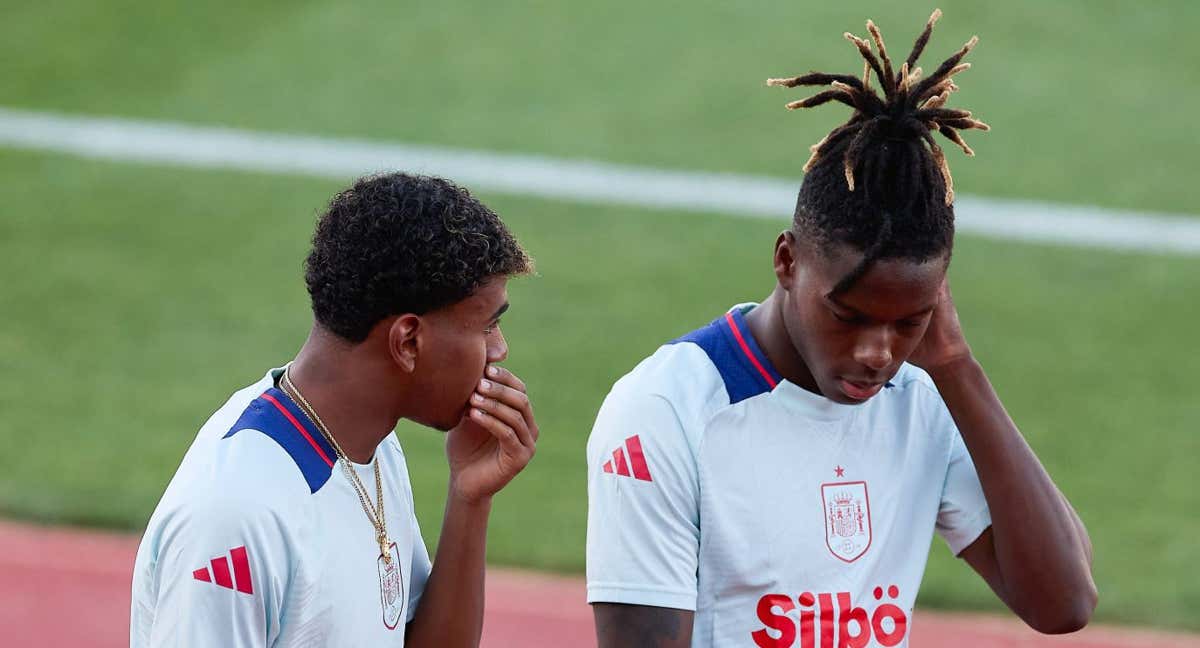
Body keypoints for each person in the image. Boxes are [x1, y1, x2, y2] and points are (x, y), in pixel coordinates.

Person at [585, 11, 1096, 647]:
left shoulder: (925, 397)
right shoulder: (666, 409)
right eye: (847, 316)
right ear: (787, 261)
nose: (877, 353)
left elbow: (1064, 602)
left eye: (909, 322)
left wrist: (959, 368)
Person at [130, 172, 539, 647]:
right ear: (408, 341)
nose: (500, 349)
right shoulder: (235, 516)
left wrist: (470, 497)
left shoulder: (370, 445)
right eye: (487, 327)